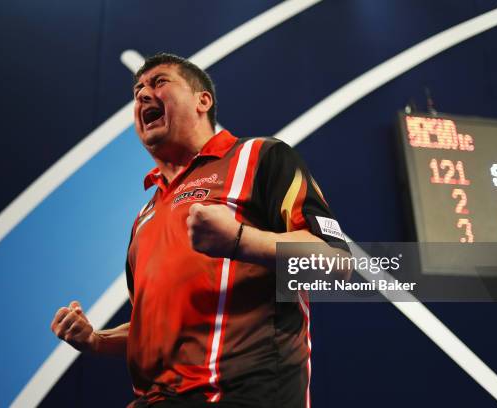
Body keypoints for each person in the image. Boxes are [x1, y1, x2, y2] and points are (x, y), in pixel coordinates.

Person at [51, 53, 350, 408]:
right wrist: (97, 341)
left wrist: (241, 240)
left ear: (202, 101)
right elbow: (151, 328)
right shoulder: (145, 216)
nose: (143, 95)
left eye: (159, 82)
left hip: (243, 395)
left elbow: (336, 264)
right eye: (137, 90)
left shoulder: (259, 157)